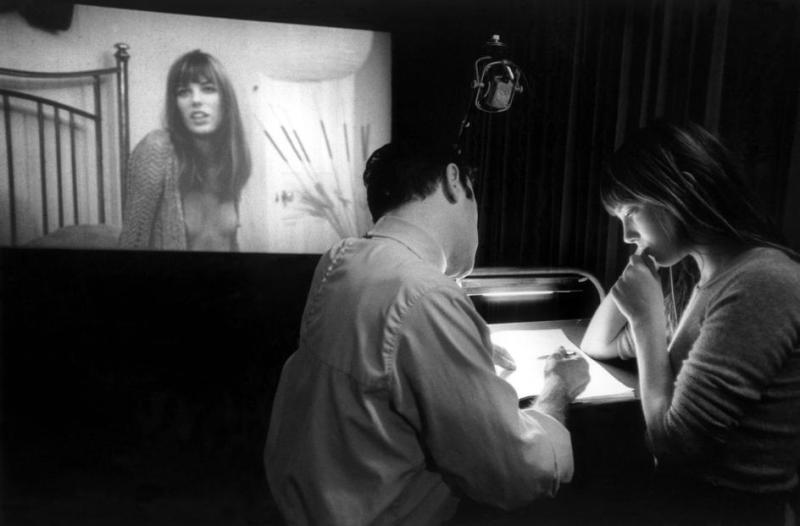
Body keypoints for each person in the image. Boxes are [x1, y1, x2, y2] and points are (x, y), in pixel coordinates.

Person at [265, 142, 590, 525]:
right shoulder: (427, 295)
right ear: (454, 181)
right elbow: (516, 473)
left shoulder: (341, 258)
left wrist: (462, 353)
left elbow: (382, 365)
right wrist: (558, 387)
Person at [580, 121, 800, 525]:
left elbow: (674, 447)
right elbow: (597, 345)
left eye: (631, 211)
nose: (626, 234)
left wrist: (646, 321)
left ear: (681, 191)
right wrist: (635, 277)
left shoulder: (760, 281)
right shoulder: (701, 281)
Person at [119, 49, 251, 251]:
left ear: (226, 101)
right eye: (183, 92)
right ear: (176, 105)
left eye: (208, 89)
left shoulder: (230, 163)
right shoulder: (156, 149)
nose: (195, 100)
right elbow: (132, 244)